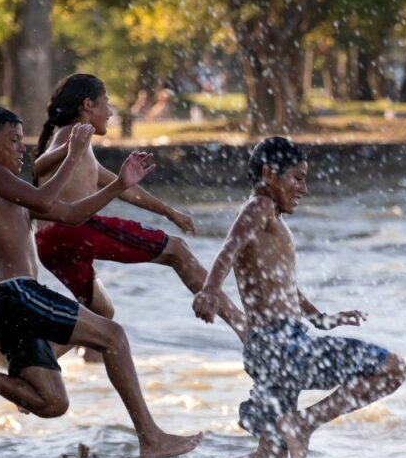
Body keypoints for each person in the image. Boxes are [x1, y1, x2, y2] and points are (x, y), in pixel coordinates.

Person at [0, 106, 200, 458]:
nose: (22, 148)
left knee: (52, 403)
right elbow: (46, 198)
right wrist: (74, 154)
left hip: (8, 303)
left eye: (23, 140)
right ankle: (150, 437)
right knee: (114, 337)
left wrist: (118, 185)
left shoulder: (14, 193)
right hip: (14, 292)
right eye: (14, 140)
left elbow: (71, 214)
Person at [165, 138, 406, 458]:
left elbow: (286, 290)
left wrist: (323, 319)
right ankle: (305, 423)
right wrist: (208, 292)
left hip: (271, 350)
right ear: (268, 176)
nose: (303, 188)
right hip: (282, 348)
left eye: (305, 179)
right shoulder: (258, 208)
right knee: (393, 369)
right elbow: (227, 249)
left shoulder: (271, 219)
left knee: (270, 456)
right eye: (297, 178)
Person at [30, 74, 247, 347]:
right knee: (177, 250)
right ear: (87, 105)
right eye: (106, 104)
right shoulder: (70, 136)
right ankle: (245, 328)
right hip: (72, 231)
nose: (110, 113)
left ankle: (38, 360)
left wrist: (168, 211)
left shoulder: (79, 144)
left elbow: (123, 188)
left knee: (102, 314)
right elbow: (38, 167)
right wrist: (71, 152)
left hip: (50, 244)